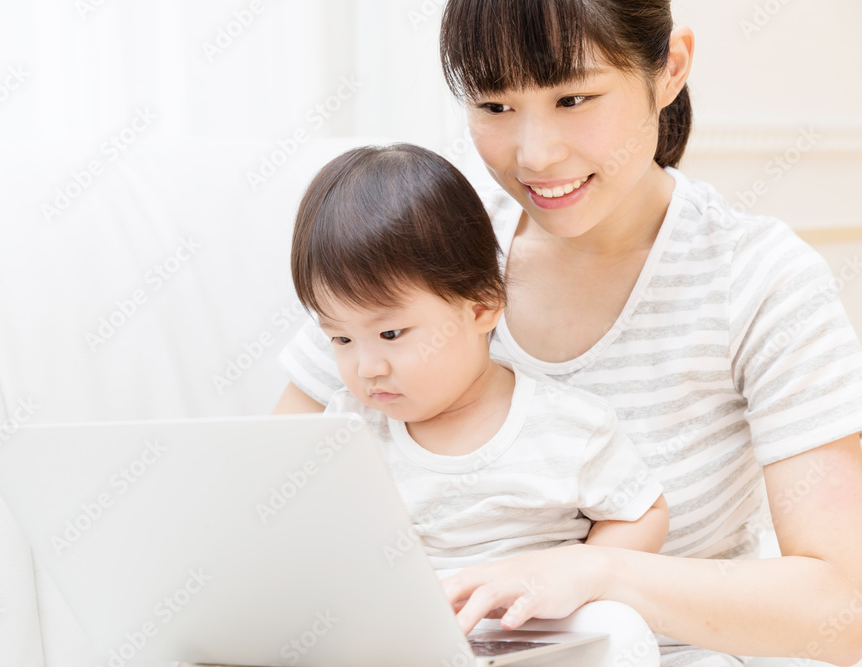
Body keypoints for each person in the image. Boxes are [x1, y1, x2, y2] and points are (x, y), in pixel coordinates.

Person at [273, 1, 862, 666]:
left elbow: (844, 609)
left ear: (669, 68)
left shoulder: (758, 280)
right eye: (494, 106)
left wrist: (592, 571)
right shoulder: (435, 240)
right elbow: (274, 486)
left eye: (574, 97)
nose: (535, 155)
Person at [289, 143, 669, 584]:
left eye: (391, 334)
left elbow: (641, 514)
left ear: (481, 307)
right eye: (341, 338)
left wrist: (569, 579)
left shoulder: (568, 426)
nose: (367, 367)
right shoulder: (346, 431)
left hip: (531, 640)